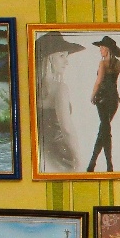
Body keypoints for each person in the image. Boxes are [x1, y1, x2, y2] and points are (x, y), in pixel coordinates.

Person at [34, 31, 84, 173]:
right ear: (49, 59)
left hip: (40, 156)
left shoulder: (32, 89)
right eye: (61, 56)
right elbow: (67, 130)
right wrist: (79, 161)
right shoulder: (59, 89)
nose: (66, 61)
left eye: (66, 56)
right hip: (61, 157)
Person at [85, 35, 120, 172]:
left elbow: (99, 81)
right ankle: (98, 164)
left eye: (101, 48)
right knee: (104, 130)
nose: (100, 50)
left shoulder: (103, 64)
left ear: (107, 49)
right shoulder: (119, 64)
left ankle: (103, 164)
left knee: (104, 131)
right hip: (113, 100)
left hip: (102, 99)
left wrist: (92, 95)